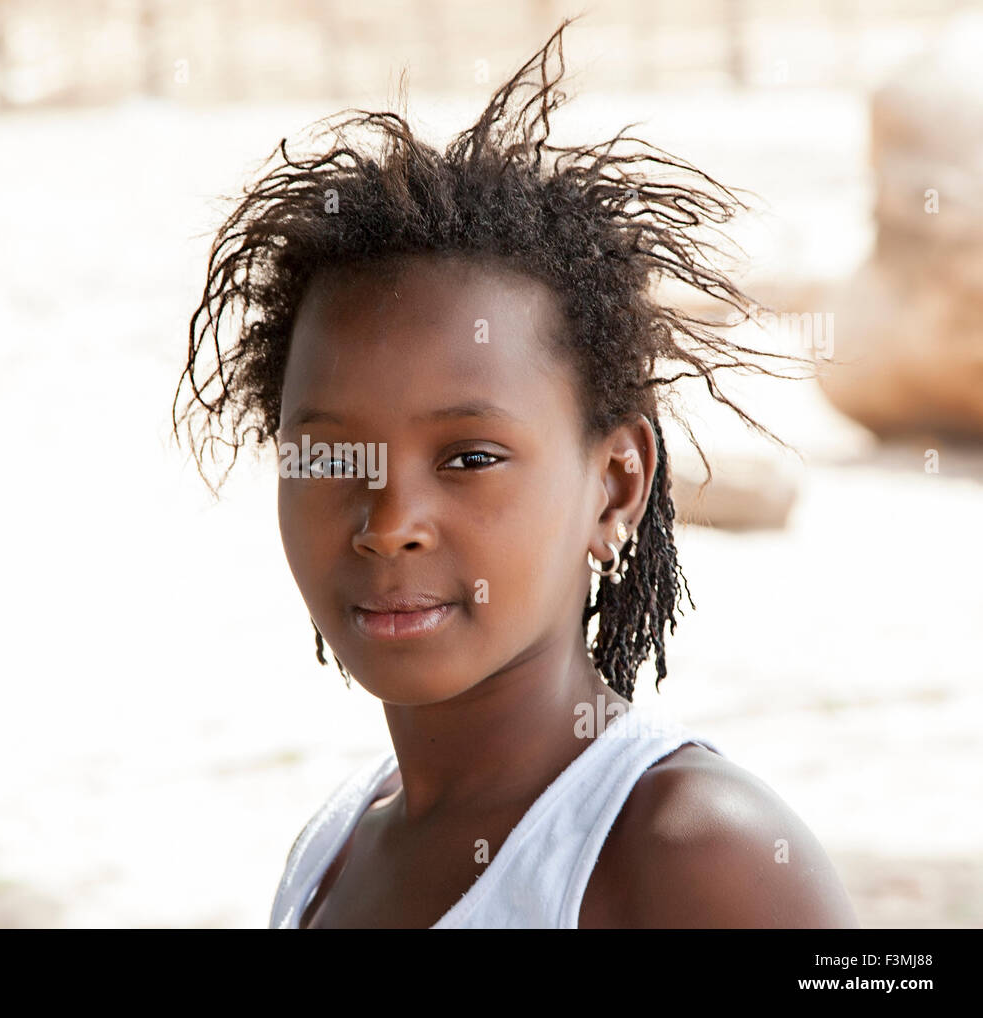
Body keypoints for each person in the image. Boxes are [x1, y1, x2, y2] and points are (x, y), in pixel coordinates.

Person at [172, 18, 859, 929]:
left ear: (615, 487)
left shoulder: (692, 856)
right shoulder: (332, 854)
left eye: (469, 458)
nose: (388, 522)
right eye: (334, 454)